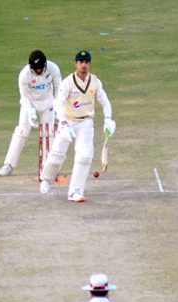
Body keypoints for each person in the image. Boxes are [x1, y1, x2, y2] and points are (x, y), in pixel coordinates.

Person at [39, 50, 116, 202]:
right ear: (76, 63)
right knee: (58, 153)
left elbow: (105, 101)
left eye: (86, 62)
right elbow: (58, 104)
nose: (84, 65)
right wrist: (63, 123)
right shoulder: (67, 82)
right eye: (81, 62)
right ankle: (46, 180)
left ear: (90, 64)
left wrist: (108, 119)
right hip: (68, 122)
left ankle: (75, 191)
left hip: (86, 122)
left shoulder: (95, 81)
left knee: (85, 155)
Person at [0, 50, 62, 177]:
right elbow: (24, 96)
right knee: (22, 131)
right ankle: (8, 165)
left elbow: (59, 87)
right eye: (35, 69)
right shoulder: (24, 75)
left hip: (48, 103)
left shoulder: (53, 68)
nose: (38, 72)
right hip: (30, 103)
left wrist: (58, 106)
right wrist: (31, 112)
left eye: (40, 69)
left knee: (49, 133)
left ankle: (49, 167)